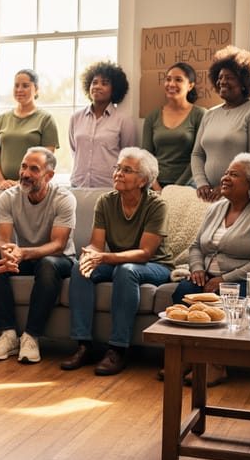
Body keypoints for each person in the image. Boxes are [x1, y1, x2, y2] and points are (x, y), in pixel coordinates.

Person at [170, 153, 250, 386]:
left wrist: (225, 279)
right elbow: (196, 246)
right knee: (182, 291)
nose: (225, 178)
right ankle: (188, 359)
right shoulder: (216, 208)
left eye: (234, 174)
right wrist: (197, 269)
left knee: (226, 297)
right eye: (225, 173)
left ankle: (215, 365)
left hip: (249, 281)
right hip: (211, 277)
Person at [62, 147, 172, 376]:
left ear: (142, 180)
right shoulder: (105, 201)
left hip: (156, 266)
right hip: (118, 261)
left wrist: (104, 257)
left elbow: (144, 253)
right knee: (79, 267)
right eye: (118, 168)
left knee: (126, 270)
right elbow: (96, 244)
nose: (118, 173)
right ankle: (84, 345)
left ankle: (118, 350)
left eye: (126, 170)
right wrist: (91, 254)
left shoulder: (156, 205)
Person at [0, 147, 77, 364]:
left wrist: (22, 253)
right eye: (23, 166)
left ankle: (31, 337)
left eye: (34, 169)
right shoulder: (8, 197)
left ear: (49, 175)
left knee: (47, 264)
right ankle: (8, 335)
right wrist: (6, 250)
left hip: (60, 259)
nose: (25, 173)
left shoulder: (63, 198)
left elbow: (58, 244)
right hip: (25, 256)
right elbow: (2, 238)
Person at [191, 46, 250, 202]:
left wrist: (226, 188)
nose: (222, 81)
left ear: (245, 82)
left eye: (229, 77)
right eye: (220, 77)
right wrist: (201, 183)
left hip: (240, 196)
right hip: (208, 195)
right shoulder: (210, 114)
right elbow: (197, 154)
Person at [0, 69, 60, 190]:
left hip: (31, 187)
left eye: (25, 86)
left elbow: (47, 158)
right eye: (16, 85)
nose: (19, 90)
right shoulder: (1, 119)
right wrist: (1, 181)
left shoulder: (46, 119)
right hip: (2, 188)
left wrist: (20, 182)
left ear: (36, 89)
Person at [68, 61, 137, 188]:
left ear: (114, 89)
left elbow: (128, 158)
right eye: (94, 82)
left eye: (104, 83)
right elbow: (75, 150)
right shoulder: (76, 118)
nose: (97, 86)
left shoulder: (124, 121)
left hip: (109, 188)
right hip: (78, 186)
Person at [141, 62, 206, 189]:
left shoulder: (200, 114)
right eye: (168, 79)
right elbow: (146, 156)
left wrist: (174, 189)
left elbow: (199, 156)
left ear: (190, 85)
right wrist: (156, 187)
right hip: (154, 184)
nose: (171, 84)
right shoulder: (152, 117)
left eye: (178, 80)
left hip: (188, 185)